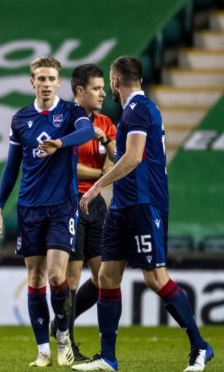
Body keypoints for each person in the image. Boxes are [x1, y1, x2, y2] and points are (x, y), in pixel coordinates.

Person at [73, 57, 214, 372]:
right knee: (108, 276)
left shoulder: (139, 110)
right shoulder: (132, 112)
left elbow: (134, 157)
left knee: (154, 277)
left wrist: (97, 186)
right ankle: (108, 358)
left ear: (115, 81)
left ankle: (200, 347)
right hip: (124, 206)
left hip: (143, 203)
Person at [0, 56, 94, 368]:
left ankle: (62, 337)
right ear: (31, 82)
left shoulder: (71, 112)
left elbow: (86, 133)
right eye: (41, 78)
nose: (46, 84)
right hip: (29, 207)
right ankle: (42, 351)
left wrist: (60, 143)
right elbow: (11, 168)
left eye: (51, 79)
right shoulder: (20, 119)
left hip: (62, 206)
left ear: (59, 82)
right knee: (34, 278)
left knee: (57, 274)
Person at [49, 64, 116, 361]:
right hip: (72, 201)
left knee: (103, 276)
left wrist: (108, 144)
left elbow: (120, 161)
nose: (103, 93)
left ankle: (60, 322)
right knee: (72, 277)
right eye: (97, 88)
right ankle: (70, 347)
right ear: (80, 91)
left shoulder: (106, 123)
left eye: (103, 88)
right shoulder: (64, 120)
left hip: (97, 203)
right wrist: (101, 172)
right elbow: (67, 164)